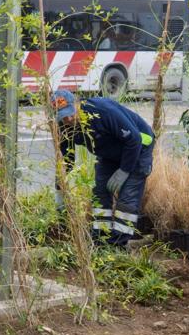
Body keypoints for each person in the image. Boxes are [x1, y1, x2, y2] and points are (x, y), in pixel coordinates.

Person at [52, 89, 155, 248]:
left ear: (77, 104)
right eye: (63, 117)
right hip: (109, 153)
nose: (69, 119)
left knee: (126, 200)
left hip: (138, 148)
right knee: (100, 193)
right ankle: (100, 240)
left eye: (70, 113)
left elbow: (134, 139)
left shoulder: (102, 111)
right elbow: (67, 157)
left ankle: (118, 245)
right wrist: (61, 187)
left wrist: (124, 170)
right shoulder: (64, 127)